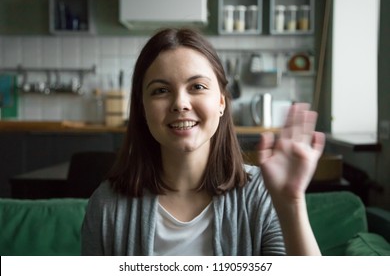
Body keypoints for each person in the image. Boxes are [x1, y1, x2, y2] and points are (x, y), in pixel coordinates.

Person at [81, 28, 325, 256]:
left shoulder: (261, 193)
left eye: (197, 86)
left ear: (221, 102)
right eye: (160, 90)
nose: (180, 103)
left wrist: (291, 202)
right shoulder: (106, 204)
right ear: (142, 108)